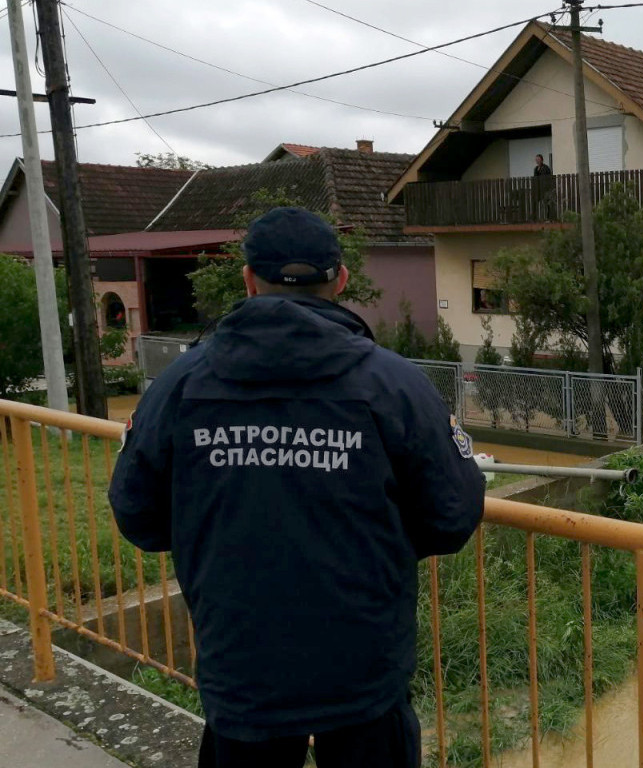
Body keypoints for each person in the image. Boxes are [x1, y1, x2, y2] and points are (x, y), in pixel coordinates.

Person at [108, 207, 486, 768]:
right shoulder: (393, 384)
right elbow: (452, 515)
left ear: (246, 278)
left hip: (241, 668)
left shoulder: (179, 386)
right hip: (363, 671)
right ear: (340, 279)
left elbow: (138, 515)